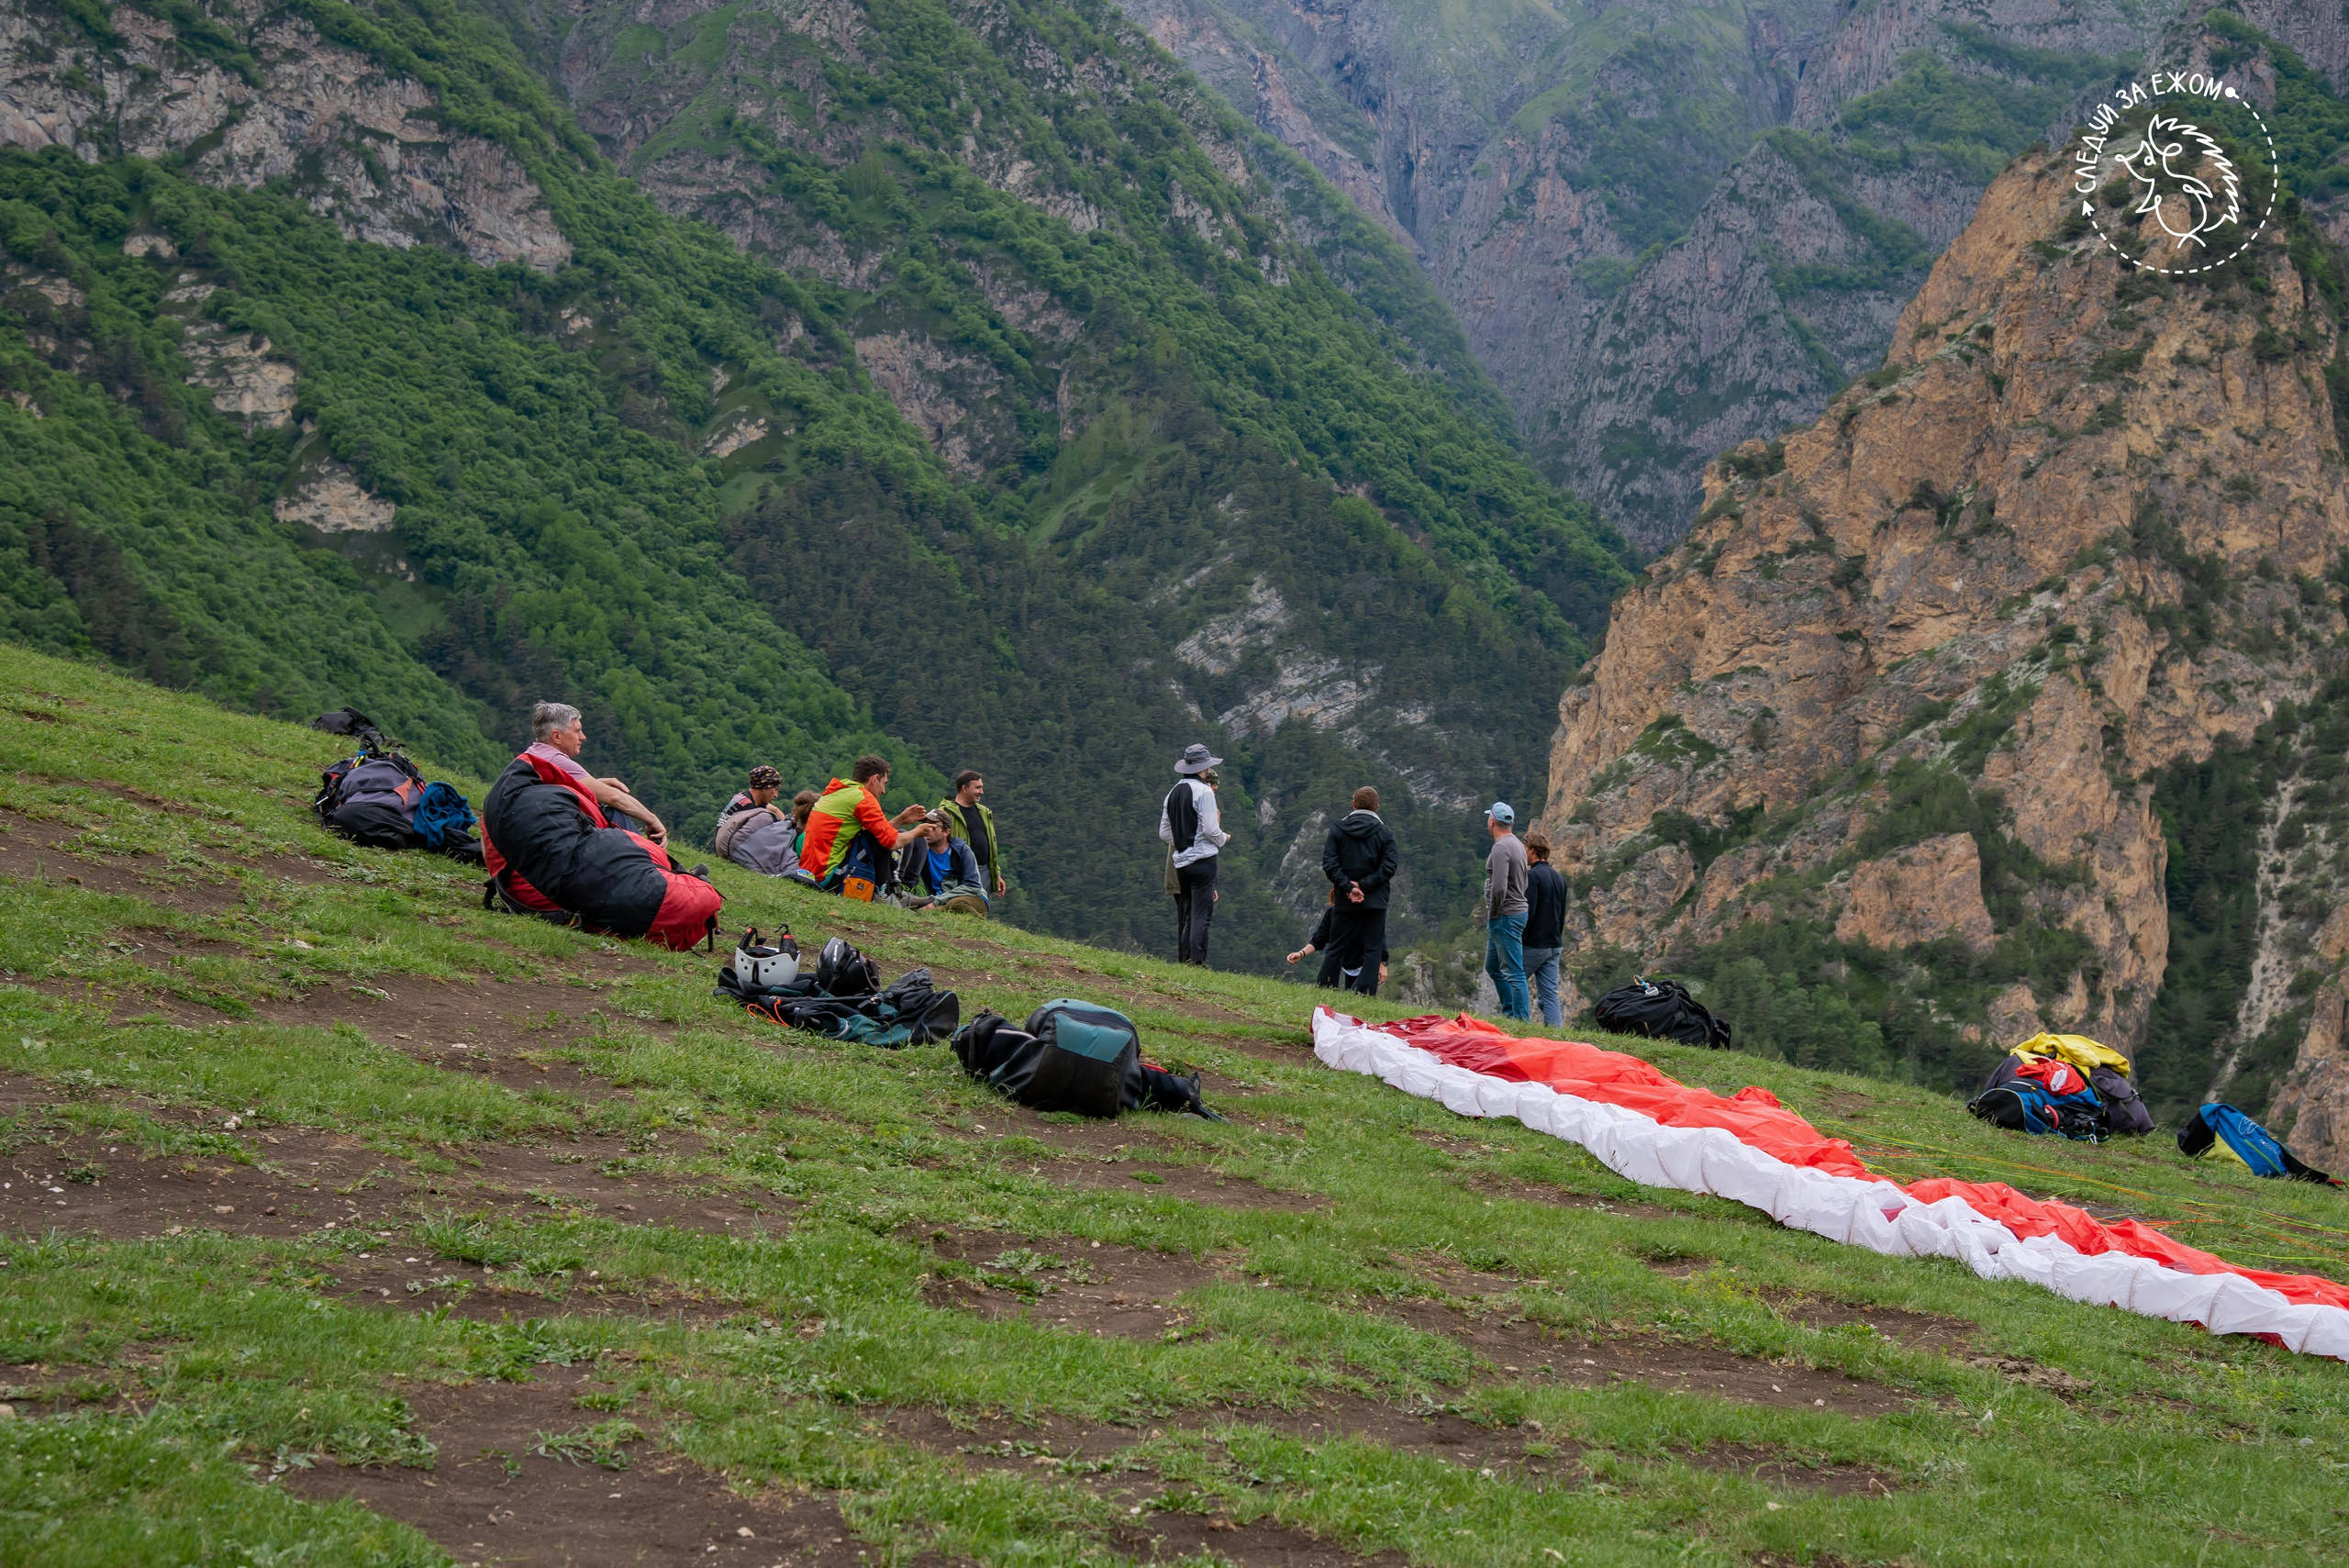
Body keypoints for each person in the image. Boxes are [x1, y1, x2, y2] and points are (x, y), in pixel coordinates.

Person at [533, 703, 670, 846]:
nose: (583, 737)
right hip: (557, 838)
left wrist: (596, 784)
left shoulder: (533, 755)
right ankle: (648, 857)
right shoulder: (555, 761)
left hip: (539, 834)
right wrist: (652, 820)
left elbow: (557, 790)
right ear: (556, 736)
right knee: (613, 814)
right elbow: (614, 797)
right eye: (577, 731)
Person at [799, 754, 929, 888]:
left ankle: (892, 890)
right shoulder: (864, 798)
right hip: (828, 876)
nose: (883, 791)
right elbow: (893, 842)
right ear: (874, 779)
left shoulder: (837, 791)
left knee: (877, 836)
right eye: (884, 783)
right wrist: (918, 831)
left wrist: (901, 819)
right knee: (898, 840)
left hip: (810, 873)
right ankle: (887, 891)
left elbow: (875, 831)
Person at [1321, 785, 1398, 996]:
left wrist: (1349, 887)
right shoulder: (1385, 833)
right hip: (1375, 900)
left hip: (1345, 900)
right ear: (1377, 807)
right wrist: (1365, 886)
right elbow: (1389, 867)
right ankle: (1363, 993)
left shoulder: (1338, 830)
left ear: (1354, 804)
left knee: (1336, 946)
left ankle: (1325, 988)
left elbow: (1329, 864)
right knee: (1373, 949)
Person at [1159, 743, 1228, 965]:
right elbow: (1210, 829)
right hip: (1203, 861)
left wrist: (1184, 841)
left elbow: (1164, 832)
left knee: (1188, 914)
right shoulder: (1204, 791)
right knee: (1201, 915)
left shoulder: (1173, 792)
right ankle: (1197, 961)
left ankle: (1185, 960)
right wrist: (1223, 838)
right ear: (1204, 768)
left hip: (1181, 861)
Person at [1482, 801, 1530, 1021]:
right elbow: (1524, 881)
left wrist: (1494, 912)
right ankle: (1510, 1012)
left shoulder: (1501, 848)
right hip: (1515, 911)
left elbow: (1499, 887)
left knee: (1514, 971)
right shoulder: (1517, 844)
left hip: (1505, 915)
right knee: (1493, 966)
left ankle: (1521, 1020)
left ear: (1492, 821)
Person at [896, 809, 990, 913]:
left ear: (946, 832)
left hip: (973, 897)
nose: (927, 829)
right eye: (925, 825)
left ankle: (979, 921)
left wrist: (936, 901)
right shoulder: (922, 851)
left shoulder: (961, 850)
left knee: (955, 904)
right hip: (939, 900)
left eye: (933, 826)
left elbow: (973, 886)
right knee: (912, 909)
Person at [714, 764, 800, 874]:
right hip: (729, 853)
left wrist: (787, 824)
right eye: (775, 789)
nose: (776, 795)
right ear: (764, 787)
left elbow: (774, 809)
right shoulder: (750, 810)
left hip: (720, 847)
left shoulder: (743, 797)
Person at [937, 770, 1007, 905]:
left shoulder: (984, 812)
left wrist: (996, 873)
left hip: (985, 872)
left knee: (981, 910)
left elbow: (990, 845)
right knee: (959, 909)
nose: (982, 792)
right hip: (959, 874)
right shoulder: (945, 813)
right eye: (978, 788)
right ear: (964, 788)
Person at [1522, 830, 1569, 1028]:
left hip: (1534, 943)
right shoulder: (1559, 877)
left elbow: (1528, 911)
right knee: (1549, 994)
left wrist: (1521, 937)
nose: (1523, 852)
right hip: (1554, 944)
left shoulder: (1533, 876)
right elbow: (1562, 914)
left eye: (1524, 848)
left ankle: (1516, 1024)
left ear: (1532, 850)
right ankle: (1555, 1034)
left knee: (1513, 982)